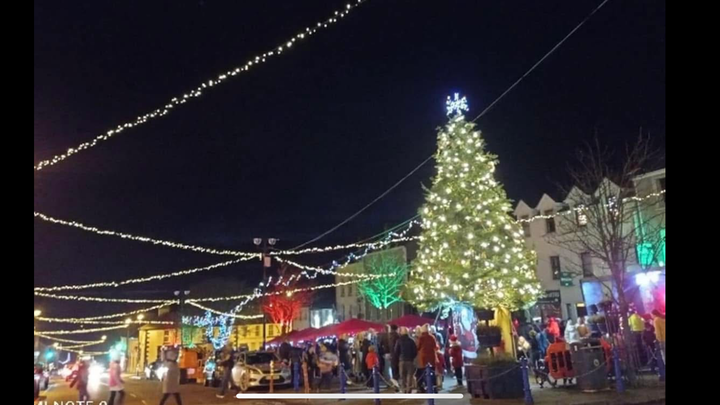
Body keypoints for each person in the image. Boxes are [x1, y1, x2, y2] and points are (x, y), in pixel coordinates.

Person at [394, 327, 417, 393]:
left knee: (402, 376)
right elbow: (415, 351)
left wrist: (399, 357)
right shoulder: (411, 341)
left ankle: (404, 389)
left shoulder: (399, 341)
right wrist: (412, 357)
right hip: (410, 360)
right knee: (409, 375)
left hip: (402, 360)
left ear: (401, 332)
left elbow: (396, 351)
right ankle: (409, 389)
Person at [416, 324, 437, 393]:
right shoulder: (432, 337)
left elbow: (418, 347)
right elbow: (435, 346)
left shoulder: (421, 338)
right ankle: (434, 387)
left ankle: (428, 386)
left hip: (423, 357)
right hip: (431, 356)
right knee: (432, 372)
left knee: (425, 372)